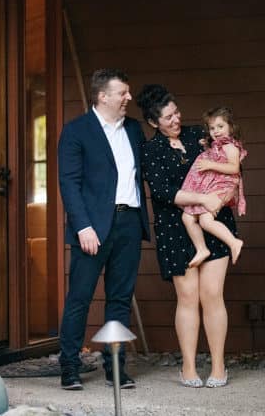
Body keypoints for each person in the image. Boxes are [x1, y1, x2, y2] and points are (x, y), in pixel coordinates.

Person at [137, 84, 236, 388]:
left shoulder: (198, 135)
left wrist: (219, 198)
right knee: (188, 297)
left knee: (212, 294)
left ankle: (219, 366)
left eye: (176, 112)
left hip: (214, 221)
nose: (176, 119)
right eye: (168, 118)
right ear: (154, 122)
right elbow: (163, 191)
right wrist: (199, 198)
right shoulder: (150, 150)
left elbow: (230, 164)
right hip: (175, 230)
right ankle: (189, 367)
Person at [57, 68, 150, 391]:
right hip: (92, 227)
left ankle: (115, 368)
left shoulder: (135, 130)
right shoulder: (76, 131)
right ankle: (69, 368)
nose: (128, 98)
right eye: (123, 92)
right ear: (103, 96)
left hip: (129, 223)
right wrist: (82, 226)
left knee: (120, 299)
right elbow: (69, 183)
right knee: (79, 299)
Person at [180, 106, 247, 269]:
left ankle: (233, 242)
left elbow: (234, 168)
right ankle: (202, 249)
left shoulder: (230, 146)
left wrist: (210, 163)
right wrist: (208, 148)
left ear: (231, 127)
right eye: (212, 128)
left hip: (222, 185)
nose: (216, 131)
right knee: (187, 218)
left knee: (205, 220)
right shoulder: (216, 145)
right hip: (210, 185)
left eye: (220, 126)